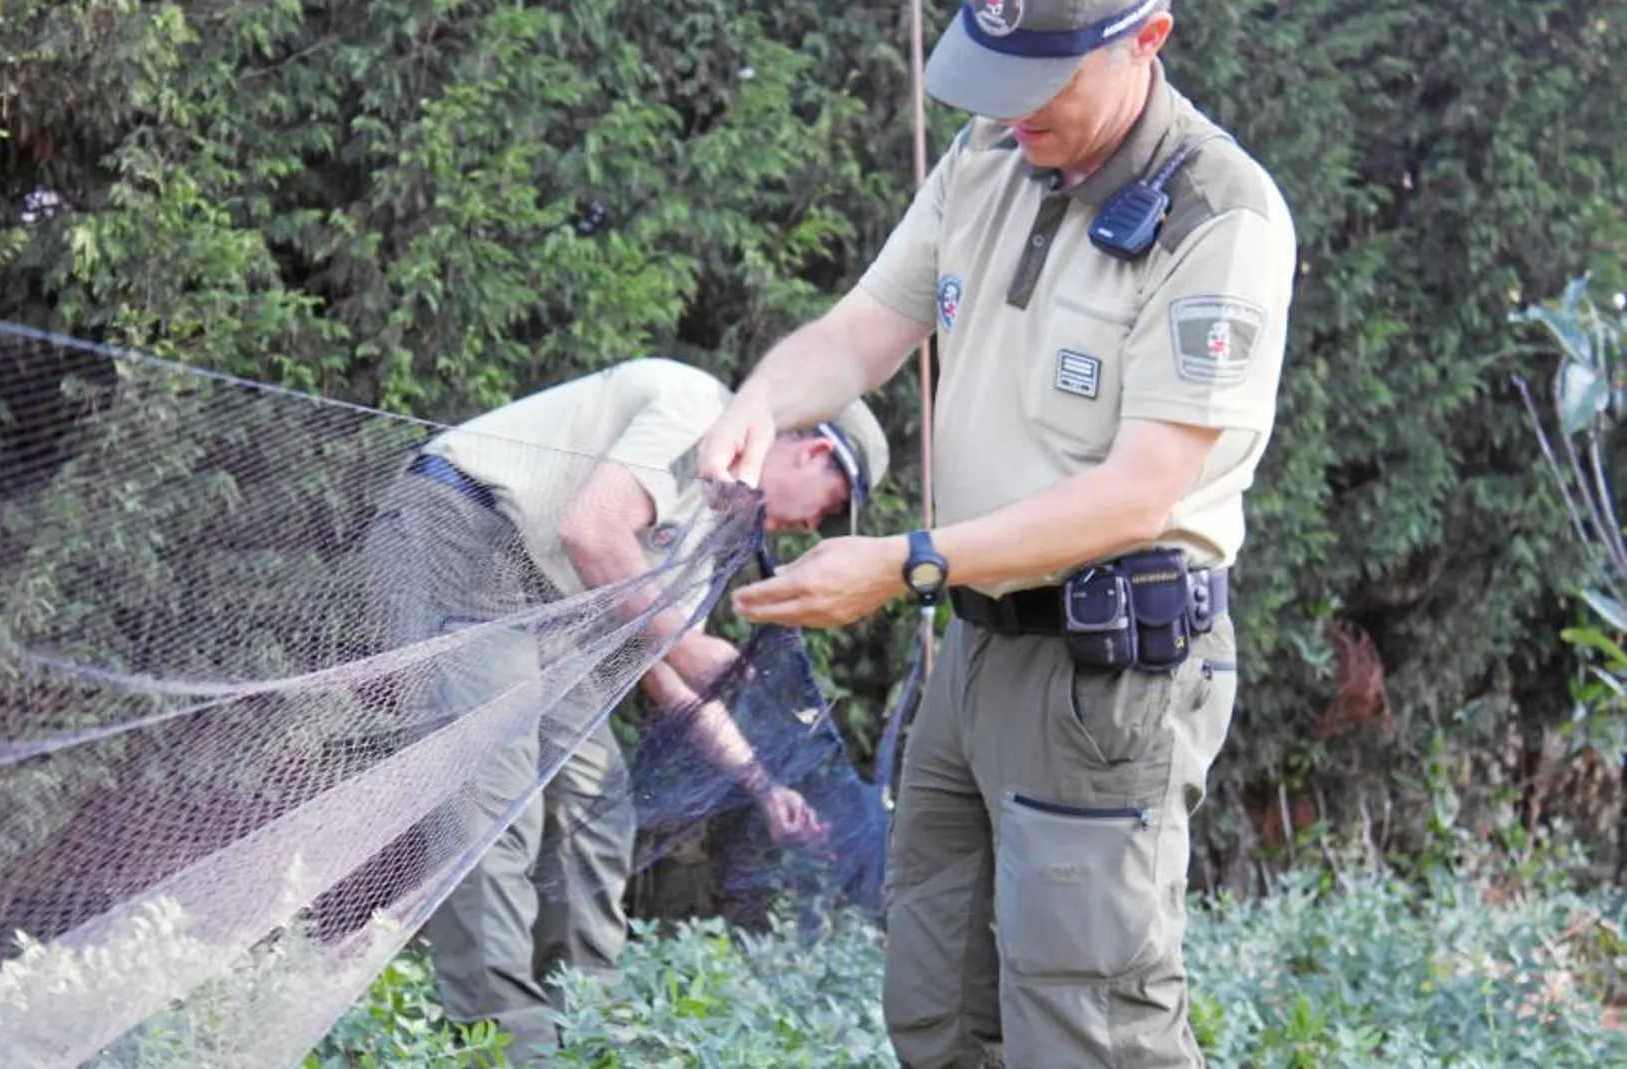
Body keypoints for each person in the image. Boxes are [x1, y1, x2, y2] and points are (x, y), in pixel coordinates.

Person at [693, 2, 1297, 1066]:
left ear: (1145, 38)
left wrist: (905, 564)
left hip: (1103, 676)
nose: (1008, 108)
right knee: (935, 1006)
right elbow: (856, 335)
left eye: (1044, 78)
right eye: (993, 72)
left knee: (1087, 1029)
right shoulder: (987, 154)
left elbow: (1137, 495)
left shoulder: (1219, 215)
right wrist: (760, 402)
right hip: (972, 655)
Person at [369, 355, 890, 1063]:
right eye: (825, 505)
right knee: (497, 803)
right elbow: (593, 531)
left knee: (599, 800)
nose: (808, 525)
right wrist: (680, 646)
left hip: (543, 599)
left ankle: (588, 1022)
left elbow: (666, 670)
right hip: (464, 529)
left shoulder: (714, 522)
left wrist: (764, 787)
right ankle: (505, 1046)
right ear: (813, 449)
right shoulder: (696, 408)